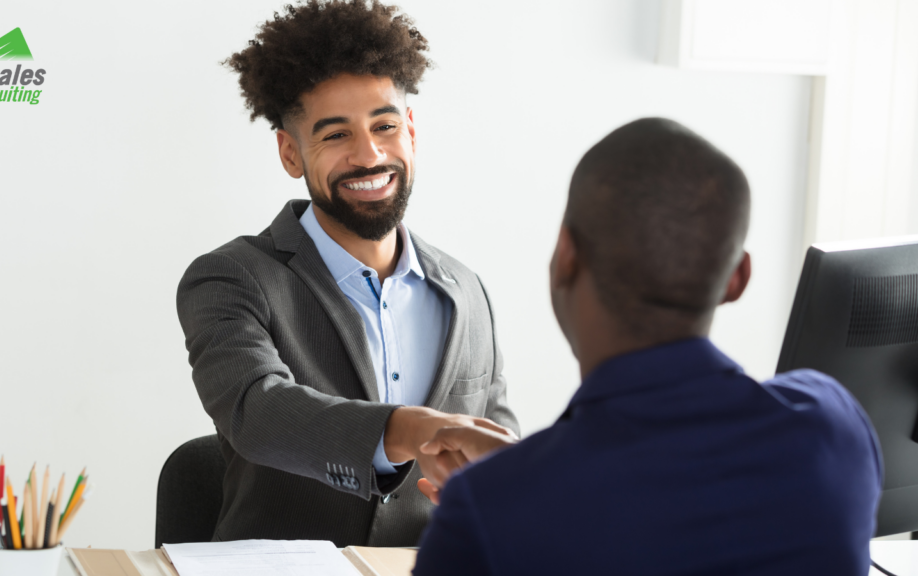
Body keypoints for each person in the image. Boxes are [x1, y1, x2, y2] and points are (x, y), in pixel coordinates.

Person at [412, 118, 882, 575]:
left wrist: (512, 485)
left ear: (566, 257)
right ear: (736, 279)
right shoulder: (833, 426)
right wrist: (519, 476)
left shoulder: (486, 514)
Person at [176, 0, 518, 548]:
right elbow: (258, 411)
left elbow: (497, 453)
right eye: (335, 135)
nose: (368, 154)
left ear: (410, 130)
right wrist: (412, 428)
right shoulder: (230, 278)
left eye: (384, 125)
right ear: (291, 153)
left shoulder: (466, 289)